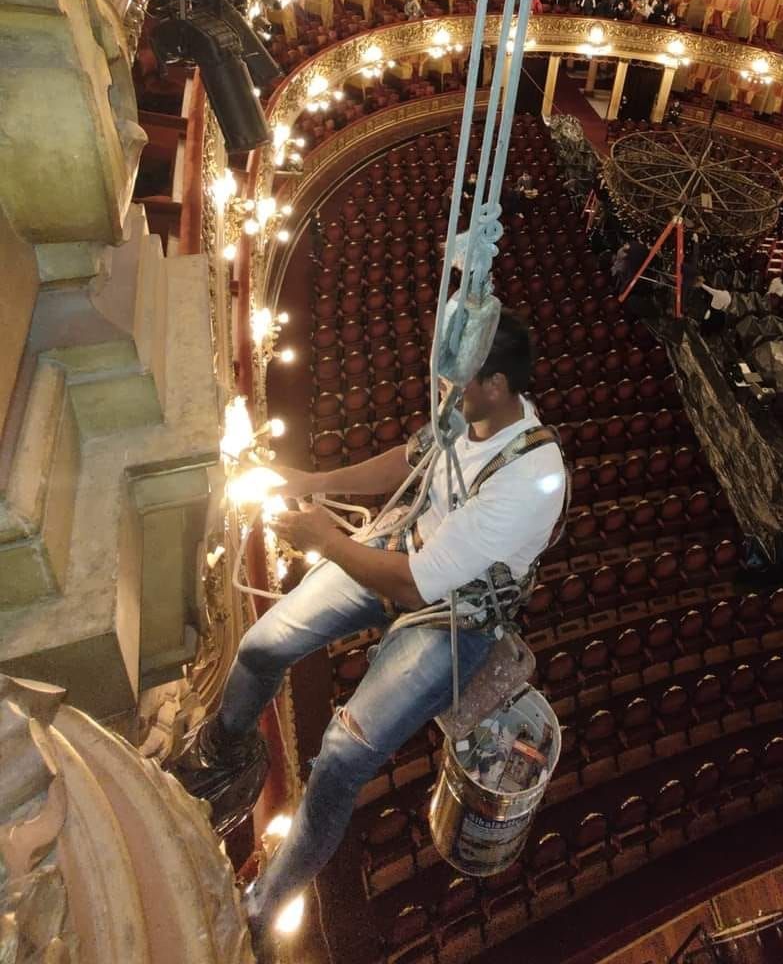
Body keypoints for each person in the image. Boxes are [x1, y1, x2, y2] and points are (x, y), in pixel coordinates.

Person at [176, 313, 565, 958]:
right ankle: (228, 755)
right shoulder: (470, 412)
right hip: (407, 546)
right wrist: (312, 483)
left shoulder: (529, 480)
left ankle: (263, 905)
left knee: (340, 759)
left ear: (496, 384)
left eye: (459, 379)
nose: (445, 389)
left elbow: (415, 587)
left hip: (455, 616)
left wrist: (327, 541)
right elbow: (411, 460)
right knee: (259, 646)